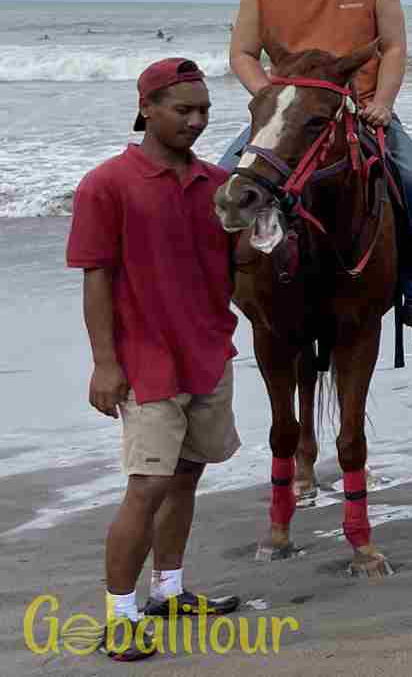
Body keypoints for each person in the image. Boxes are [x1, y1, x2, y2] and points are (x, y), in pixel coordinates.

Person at [220, 0, 412, 344]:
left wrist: (384, 103)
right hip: (287, 116)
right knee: (222, 179)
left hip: (361, 109)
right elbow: (242, 53)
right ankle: (208, 291)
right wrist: (272, 99)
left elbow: (393, 47)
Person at [65, 59, 242, 660]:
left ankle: (168, 590)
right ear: (147, 108)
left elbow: (246, 263)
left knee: (189, 472)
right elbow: (96, 279)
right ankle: (120, 616)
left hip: (209, 352)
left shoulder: (219, 183)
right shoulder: (106, 184)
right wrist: (103, 363)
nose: (196, 121)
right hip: (145, 360)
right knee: (148, 485)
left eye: (204, 111)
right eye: (182, 110)